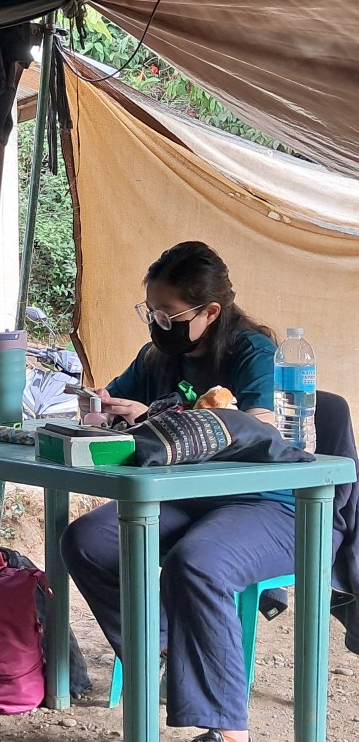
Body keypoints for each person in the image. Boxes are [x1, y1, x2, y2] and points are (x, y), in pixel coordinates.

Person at [60, 241, 282, 742]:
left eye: (168, 315)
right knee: (89, 541)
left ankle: (228, 732)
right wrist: (101, 408)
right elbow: (116, 402)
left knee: (197, 562)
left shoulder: (253, 352)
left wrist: (158, 416)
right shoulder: (157, 355)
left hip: (264, 499)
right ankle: (163, 649)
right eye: (151, 312)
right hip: (188, 497)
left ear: (210, 312)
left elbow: (259, 429)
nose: (158, 324)